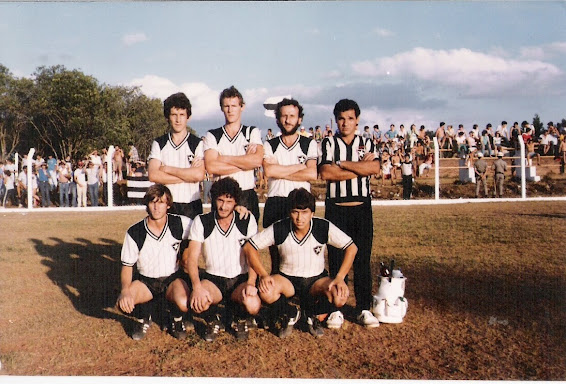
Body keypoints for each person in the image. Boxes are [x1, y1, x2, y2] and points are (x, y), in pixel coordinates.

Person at [244, 188, 358, 338]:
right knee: (266, 291)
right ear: (289, 212)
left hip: (316, 281)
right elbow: (249, 247)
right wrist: (264, 275)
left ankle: (311, 315)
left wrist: (340, 277)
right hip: (288, 280)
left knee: (340, 296)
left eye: (304, 212)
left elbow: (351, 247)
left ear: (312, 213)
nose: (299, 218)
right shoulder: (280, 227)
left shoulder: (322, 227)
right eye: (295, 212)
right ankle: (290, 313)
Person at [319, 99, 380, 328]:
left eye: (350, 118)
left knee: (362, 260)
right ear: (336, 120)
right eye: (341, 118)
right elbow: (326, 173)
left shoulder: (366, 142)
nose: (345, 123)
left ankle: (364, 308)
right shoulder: (328, 143)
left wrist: (342, 164)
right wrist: (357, 167)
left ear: (357, 120)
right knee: (336, 261)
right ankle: (336, 308)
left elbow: (374, 168)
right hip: (337, 209)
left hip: (362, 208)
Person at [181, 177, 260, 342]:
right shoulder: (202, 222)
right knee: (197, 300)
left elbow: (253, 256)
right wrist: (197, 287)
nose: (224, 206)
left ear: (236, 202)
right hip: (213, 280)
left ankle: (240, 318)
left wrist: (251, 283)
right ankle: (214, 319)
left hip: (240, 279)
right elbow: (192, 260)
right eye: (220, 200)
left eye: (229, 201)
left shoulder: (246, 220)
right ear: (213, 199)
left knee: (252, 303)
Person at [116, 184, 192, 340]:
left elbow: (205, 225)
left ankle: (176, 319)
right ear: (147, 204)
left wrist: (237, 211)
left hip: (172, 279)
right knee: (123, 303)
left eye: (162, 202)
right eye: (153, 202)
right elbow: (127, 266)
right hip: (146, 281)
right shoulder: (135, 231)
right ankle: (143, 317)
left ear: (168, 205)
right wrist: (125, 290)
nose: (157, 207)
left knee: (184, 302)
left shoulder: (179, 223)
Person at [262, 98, 318, 273]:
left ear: (299, 119)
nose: (288, 120)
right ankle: (277, 298)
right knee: (277, 257)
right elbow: (269, 172)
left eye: (292, 116)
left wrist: (280, 169)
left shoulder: (309, 143)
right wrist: (300, 166)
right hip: (276, 202)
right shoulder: (269, 144)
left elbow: (312, 174)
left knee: (301, 255)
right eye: (284, 116)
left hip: (300, 204)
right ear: (277, 119)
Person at [203, 86, 263, 224]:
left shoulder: (251, 132)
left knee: (247, 242)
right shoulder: (213, 135)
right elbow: (211, 166)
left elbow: (257, 161)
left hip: (246, 194)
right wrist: (245, 162)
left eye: (234, 106)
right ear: (222, 108)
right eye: (226, 106)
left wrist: (223, 159)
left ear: (242, 107)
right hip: (221, 196)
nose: (230, 110)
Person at [148, 93, 206, 220]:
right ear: (167, 117)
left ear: (188, 117)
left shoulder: (197, 143)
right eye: (174, 115)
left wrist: (168, 169)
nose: (178, 120)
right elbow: (153, 175)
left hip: (192, 204)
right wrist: (188, 175)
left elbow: (198, 175)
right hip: (167, 205)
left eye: (182, 115)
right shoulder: (159, 143)